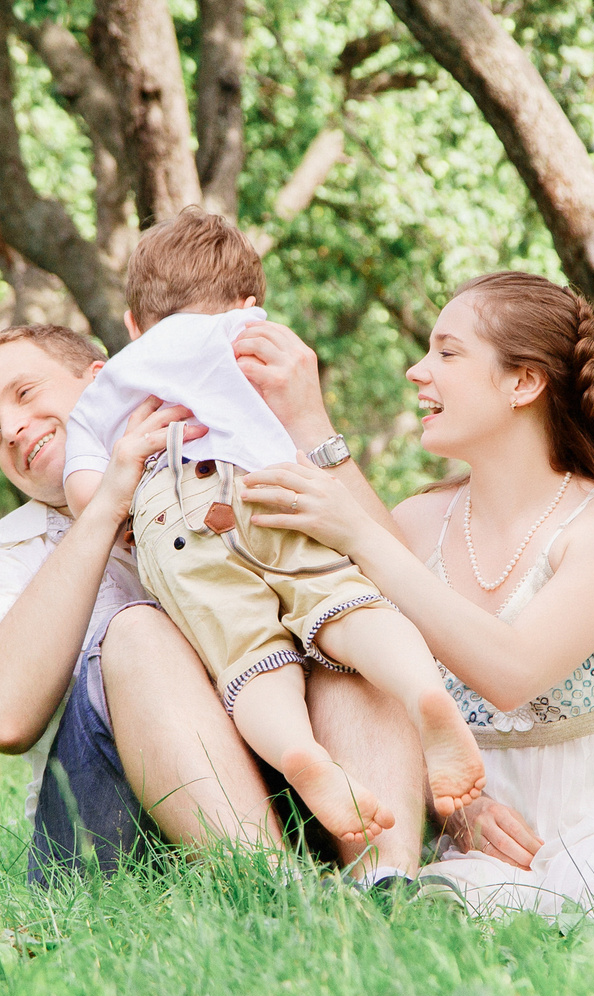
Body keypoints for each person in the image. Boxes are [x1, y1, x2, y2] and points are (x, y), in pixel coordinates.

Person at [242, 271, 594, 928]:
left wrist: (358, 534)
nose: (417, 371)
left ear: (523, 382)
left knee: (593, 916)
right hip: (473, 826)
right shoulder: (418, 521)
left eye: (447, 352)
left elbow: (511, 672)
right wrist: (303, 417)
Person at [61, 208, 490, 853]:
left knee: (251, 661)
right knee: (349, 605)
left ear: (131, 323)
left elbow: (88, 489)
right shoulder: (250, 335)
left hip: (178, 527)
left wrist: (123, 496)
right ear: (248, 302)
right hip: (269, 490)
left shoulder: (113, 380)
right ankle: (425, 693)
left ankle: (298, 754)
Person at [0, 318, 427, 887]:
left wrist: (310, 425)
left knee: (337, 618)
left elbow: (406, 600)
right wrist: (105, 505)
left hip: (285, 797)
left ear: (105, 382)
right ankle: (278, 892)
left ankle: (388, 884)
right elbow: (2, 719)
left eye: (24, 394)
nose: (15, 430)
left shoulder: (228, 473)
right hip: (109, 838)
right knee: (136, 633)